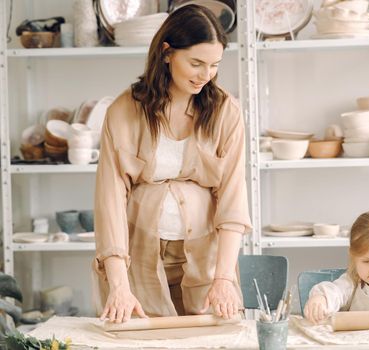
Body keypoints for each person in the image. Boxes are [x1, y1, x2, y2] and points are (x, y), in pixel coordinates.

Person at [92, 4, 251, 324]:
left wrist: (224, 278)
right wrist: (118, 284)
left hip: (207, 255)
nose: (206, 76)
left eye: (214, 65)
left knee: (212, 338)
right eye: (196, 63)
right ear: (166, 53)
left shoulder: (225, 112)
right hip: (136, 254)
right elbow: (109, 200)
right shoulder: (124, 111)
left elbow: (233, 198)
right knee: (145, 337)